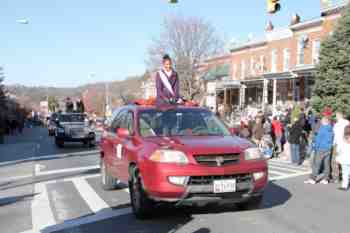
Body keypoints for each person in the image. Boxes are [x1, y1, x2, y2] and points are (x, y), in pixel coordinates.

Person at [304, 116, 334, 184]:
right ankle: (326, 179)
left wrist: (315, 147)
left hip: (321, 148)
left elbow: (318, 139)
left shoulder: (322, 129)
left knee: (317, 164)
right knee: (327, 164)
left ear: (323, 121)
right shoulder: (331, 128)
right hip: (328, 148)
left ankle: (313, 178)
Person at [332, 110, 349, 182]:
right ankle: (341, 177)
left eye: (336, 115)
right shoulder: (344, 123)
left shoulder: (345, 122)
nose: (336, 117)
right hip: (342, 143)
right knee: (342, 160)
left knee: (335, 161)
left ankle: (336, 177)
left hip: (342, 144)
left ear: (340, 115)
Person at [336, 125, 350, 191]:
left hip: (344, 159)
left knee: (345, 172)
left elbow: (339, 150)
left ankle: (345, 186)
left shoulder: (342, 139)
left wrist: (338, 157)